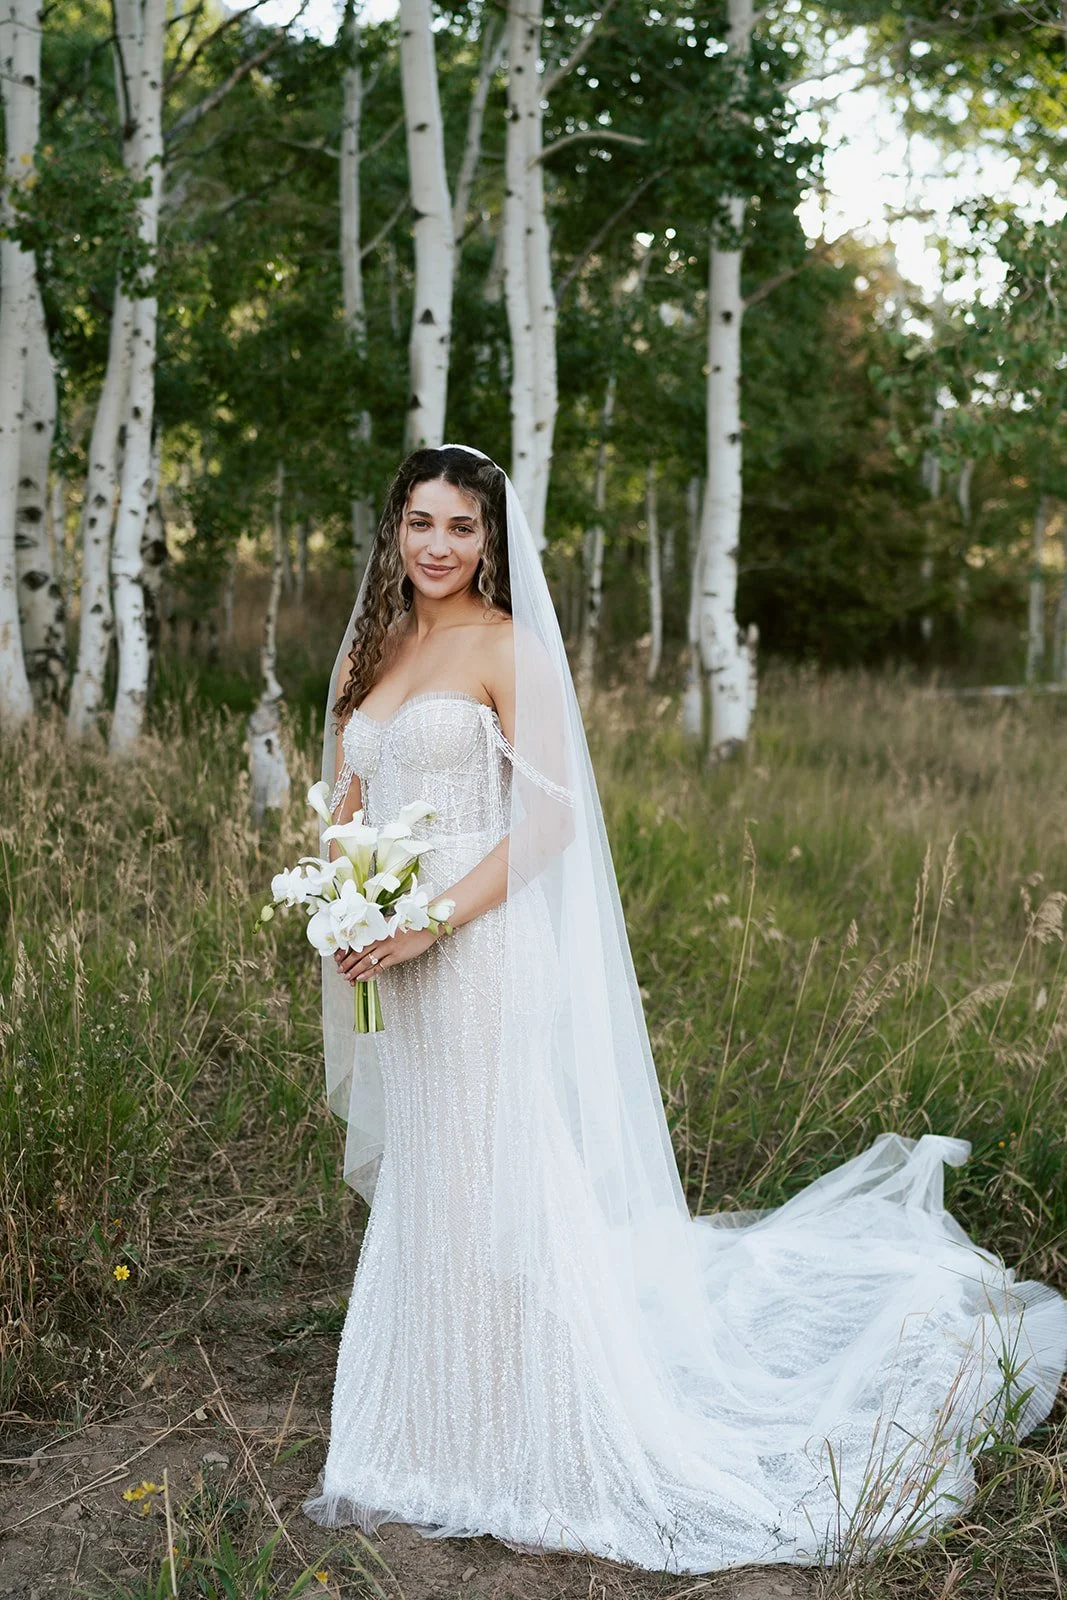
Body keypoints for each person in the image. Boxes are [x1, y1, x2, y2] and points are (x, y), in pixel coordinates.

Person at [302, 444, 1067, 1574]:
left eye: (460, 527)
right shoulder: (381, 646)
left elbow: (550, 820)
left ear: (490, 541)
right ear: (394, 531)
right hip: (392, 953)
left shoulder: (508, 647)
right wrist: (342, 898)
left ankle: (528, 1415)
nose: (436, 546)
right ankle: (422, 1413)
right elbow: (348, 794)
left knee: (492, 1170)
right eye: (419, 523)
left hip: (472, 947)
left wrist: (426, 920)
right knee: (434, 1170)